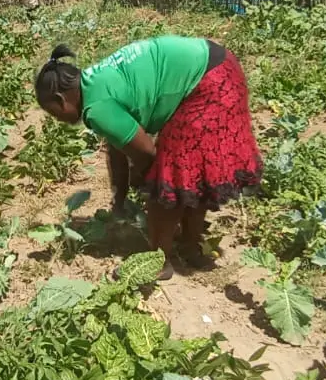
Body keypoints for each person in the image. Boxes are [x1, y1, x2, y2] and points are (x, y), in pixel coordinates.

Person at [35, 35, 261, 280]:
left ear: (60, 100)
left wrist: (146, 181)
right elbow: (118, 144)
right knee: (188, 169)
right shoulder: (93, 81)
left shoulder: (96, 107)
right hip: (217, 65)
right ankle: (189, 246)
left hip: (209, 84)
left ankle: (159, 260)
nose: (57, 119)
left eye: (54, 113)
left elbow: (146, 154)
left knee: (167, 177)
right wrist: (119, 198)